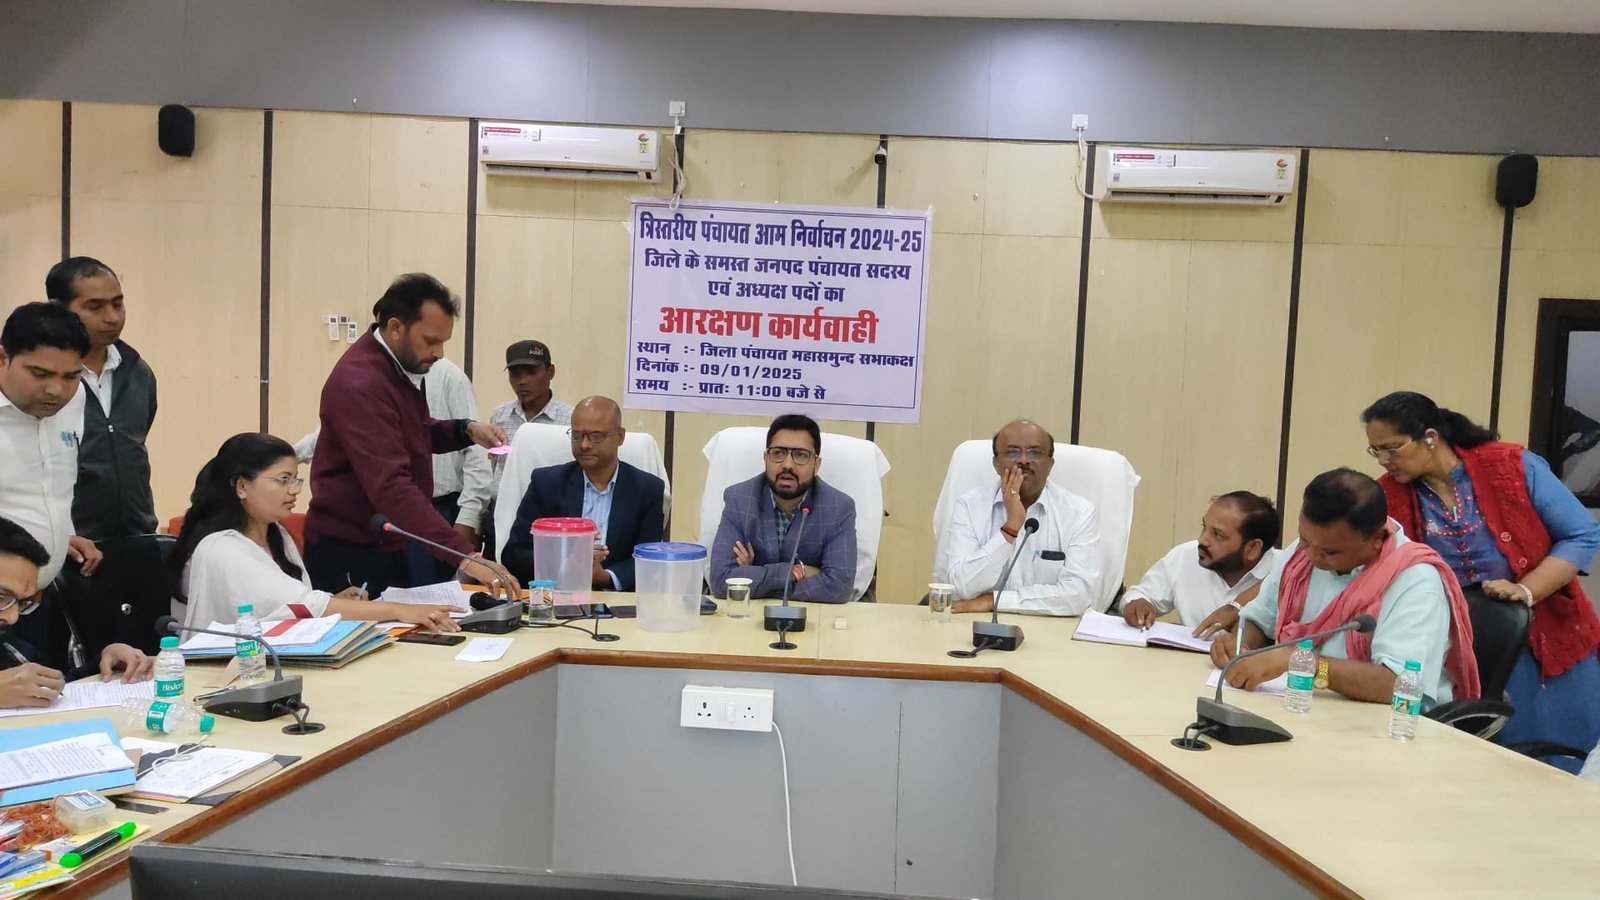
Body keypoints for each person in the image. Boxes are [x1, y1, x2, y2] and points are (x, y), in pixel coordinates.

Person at [1363, 391, 1600, 768]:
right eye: (1375, 452)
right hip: (1459, 648)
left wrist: (1526, 589)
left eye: (1392, 449)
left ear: (1430, 437)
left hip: (1548, 638)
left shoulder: (1510, 466)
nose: (1384, 461)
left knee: (1563, 758)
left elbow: (1581, 534)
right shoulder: (1389, 495)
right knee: (1485, 761)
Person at [300, 273, 519, 599]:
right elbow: (390, 485)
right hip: (349, 551)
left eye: (443, 341)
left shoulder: (396, 367)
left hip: (387, 541)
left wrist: (465, 430)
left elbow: (412, 432)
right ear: (395, 328)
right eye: (430, 340)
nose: (439, 353)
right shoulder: (361, 383)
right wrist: (466, 556)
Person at [1211, 469, 1479, 711]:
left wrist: (1306, 663)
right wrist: (1240, 643)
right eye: (1304, 540)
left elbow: (1398, 684)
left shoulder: (1416, 583)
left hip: (1384, 725)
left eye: (1330, 552)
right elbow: (1260, 620)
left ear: (1377, 539)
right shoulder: (1305, 553)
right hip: (1301, 707)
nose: (1312, 557)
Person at [169, 434, 462, 632]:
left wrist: (335, 600)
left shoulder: (277, 535)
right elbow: (306, 605)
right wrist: (400, 611)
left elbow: (286, 606)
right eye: (283, 480)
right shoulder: (222, 547)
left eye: (296, 480)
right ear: (242, 486)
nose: (294, 491)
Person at [293, 355, 492, 583]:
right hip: (378, 520)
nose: (436, 351)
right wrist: (283, 460)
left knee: (425, 591)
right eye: (429, 340)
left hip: (435, 510)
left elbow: (463, 450)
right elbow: (333, 433)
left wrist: (467, 519)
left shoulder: (449, 376)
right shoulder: (364, 378)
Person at [939, 420, 1105, 616]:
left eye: (1035, 452)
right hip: (976, 623)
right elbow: (961, 587)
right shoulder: (969, 506)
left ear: (1050, 464)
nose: (1024, 460)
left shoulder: (1079, 513)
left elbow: (1079, 596)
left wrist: (994, 601)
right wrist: (1011, 527)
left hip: (1050, 627)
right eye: (1012, 452)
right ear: (995, 463)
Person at [47, 257, 159, 541]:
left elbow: (135, 443)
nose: (112, 317)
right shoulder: (43, 379)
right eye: (95, 307)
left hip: (136, 534)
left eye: (117, 304)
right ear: (57, 309)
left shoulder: (138, 371)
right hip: (66, 541)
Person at [501, 397, 664, 590]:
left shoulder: (647, 489)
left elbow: (650, 560)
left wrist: (605, 577)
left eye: (596, 436)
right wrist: (563, 567)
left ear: (620, 437)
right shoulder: (546, 483)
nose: (584, 445)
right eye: (577, 435)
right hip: (557, 594)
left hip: (616, 598)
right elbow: (514, 554)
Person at [0, 516, 150, 709]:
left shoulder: (9, 643)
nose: (12, 617)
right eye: (1, 598)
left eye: (23, 603)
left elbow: (56, 684)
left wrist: (105, 662)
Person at [709, 414, 856, 602]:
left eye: (801, 455)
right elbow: (721, 582)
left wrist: (751, 575)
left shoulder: (838, 508)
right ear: (765, 458)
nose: (787, 465)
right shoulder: (739, 499)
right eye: (778, 453)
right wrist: (798, 572)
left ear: (816, 465)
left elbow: (838, 587)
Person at [1120, 492, 1281, 635]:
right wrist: (1137, 604)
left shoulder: (1285, 573)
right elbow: (1142, 595)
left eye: (1217, 534)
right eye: (1204, 527)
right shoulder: (1186, 555)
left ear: (1253, 548)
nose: (1202, 539)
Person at [475, 340, 572, 558]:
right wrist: (479, 523)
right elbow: (493, 470)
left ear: (550, 372)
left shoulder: (569, 420)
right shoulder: (500, 415)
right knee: (497, 576)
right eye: (515, 374)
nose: (522, 381)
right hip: (500, 515)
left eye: (531, 372)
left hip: (547, 520)